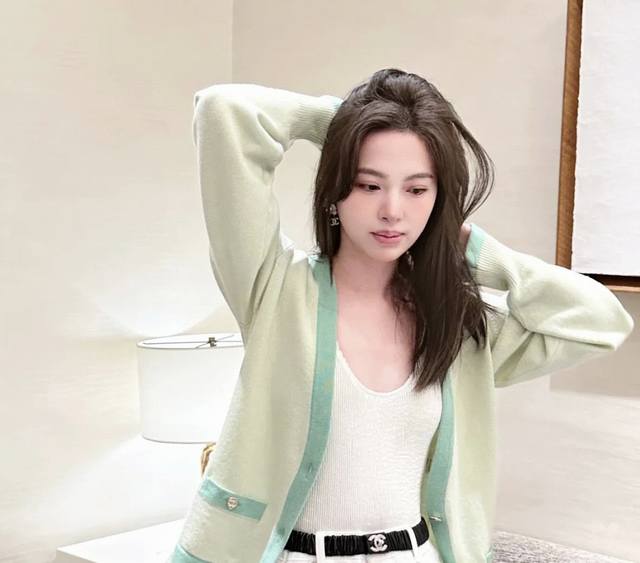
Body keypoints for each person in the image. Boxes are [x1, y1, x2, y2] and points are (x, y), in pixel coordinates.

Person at [167, 68, 634, 563]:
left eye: (416, 190)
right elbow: (225, 110)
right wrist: (347, 126)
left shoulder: (456, 326)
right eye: (369, 184)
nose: (392, 210)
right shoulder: (275, 289)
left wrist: (480, 254)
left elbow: (601, 319)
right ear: (335, 192)